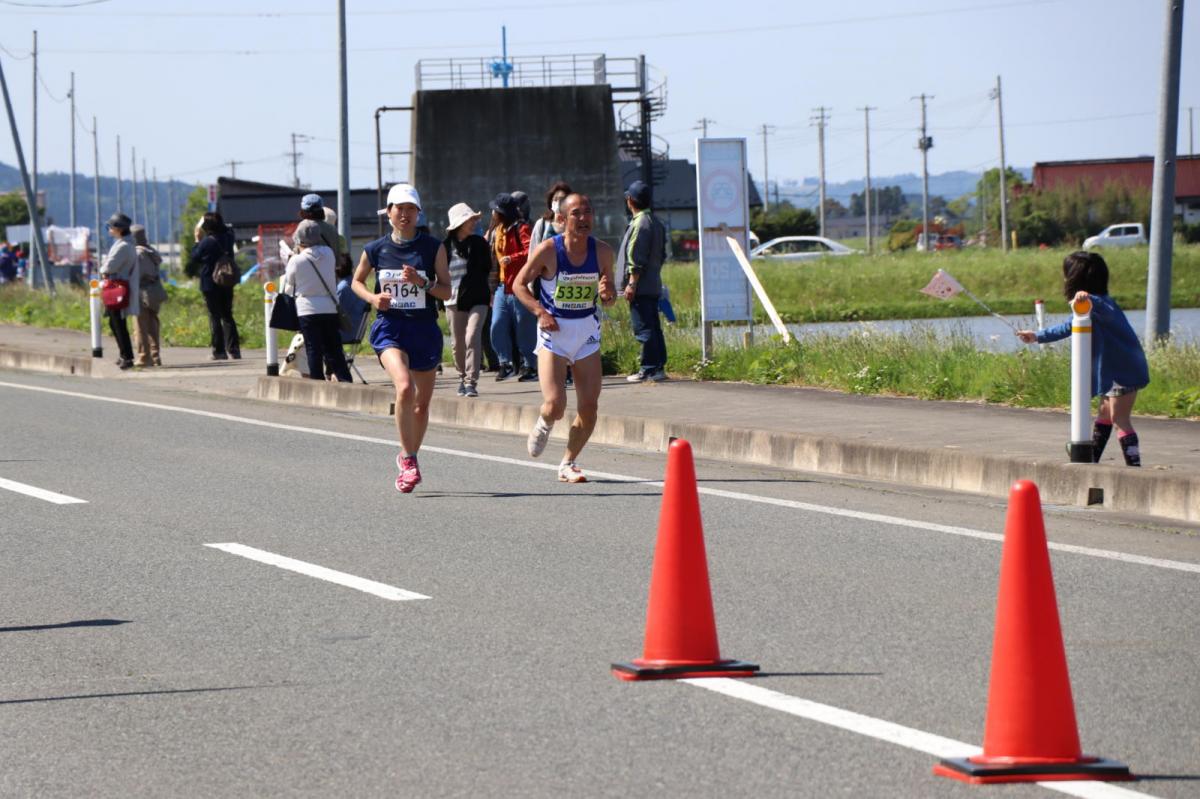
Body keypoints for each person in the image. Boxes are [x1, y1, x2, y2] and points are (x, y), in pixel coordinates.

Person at [351, 183, 452, 493]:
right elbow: (356, 282)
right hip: (390, 327)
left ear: (418, 213)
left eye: (411, 209)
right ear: (390, 212)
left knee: (422, 405)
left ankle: (410, 455)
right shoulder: (375, 249)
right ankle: (409, 461)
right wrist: (372, 297)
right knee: (404, 387)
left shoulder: (433, 247)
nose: (405, 214)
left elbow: (447, 291)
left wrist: (421, 282)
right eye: (399, 208)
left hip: (423, 329)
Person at [514, 193, 617, 483]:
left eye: (588, 212)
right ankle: (545, 422)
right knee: (556, 404)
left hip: (585, 334)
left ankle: (568, 463)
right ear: (561, 219)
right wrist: (539, 311)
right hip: (554, 334)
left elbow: (608, 298)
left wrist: (608, 295)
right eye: (576, 213)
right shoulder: (549, 250)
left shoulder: (604, 252)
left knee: (589, 407)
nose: (583, 219)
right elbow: (518, 283)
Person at [1016, 251, 1149, 466]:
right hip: (1112, 371)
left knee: (1120, 419)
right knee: (1104, 416)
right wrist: (1037, 336)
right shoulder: (1086, 308)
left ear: (1077, 278)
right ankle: (1091, 461)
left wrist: (1089, 299)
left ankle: (1134, 467)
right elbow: (1070, 326)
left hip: (1124, 371)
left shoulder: (1101, 304)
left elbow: (1103, 310)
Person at [283, 219, 352, 383]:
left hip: (307, 310)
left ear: (299, 240)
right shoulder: (328, 253)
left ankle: (317, 382)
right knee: (334, 349)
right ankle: (345, 380)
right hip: (329, 308)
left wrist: (292, 257)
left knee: (313, 349)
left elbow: (289, 286)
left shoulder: (296, 261)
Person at [617, 179, 670, 382]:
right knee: (654, 327)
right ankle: (658, 367)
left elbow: (636, 257)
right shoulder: (656, 223)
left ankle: (648, 368)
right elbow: (662, 255)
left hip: (641, 285)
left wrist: (632, 283)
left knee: (644, 328)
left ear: (630, 200)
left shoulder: (640, 223)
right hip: (653, 283)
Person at [442, 202, 491, 398]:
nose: (472, 223)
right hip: (453, 299)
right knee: (457, 344)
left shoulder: (480, 244)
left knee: (472, 336)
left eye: (473, 219)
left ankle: (471, 382)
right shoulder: (444, 247)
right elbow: (439, 274)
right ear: (458, 224)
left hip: (478, 297)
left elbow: (487, 268)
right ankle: (461, 377)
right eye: (468, 220)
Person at [488, 192, 537, 382]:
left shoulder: (522, 228)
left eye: (495, 210)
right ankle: (505, 363)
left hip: (519, 285)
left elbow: (530, 251)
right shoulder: (497, 229)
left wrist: (513, 258)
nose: (492, 212)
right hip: (502, 286)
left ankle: (530, 365)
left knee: (524, 327)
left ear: (502, 212)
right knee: (497, 324)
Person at [191, 211, 240, 360]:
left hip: (210, 283)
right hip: (227, 281)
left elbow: (195, 257)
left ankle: (219, 351)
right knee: (227, 315)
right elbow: (228, 230)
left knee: (215, 316)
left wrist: (197, 240)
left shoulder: (207, 241)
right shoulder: (229, 237)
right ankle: (234, 349)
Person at [99, 213, 139, 369]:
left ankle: (127, 356)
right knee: (114, 322)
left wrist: (103, 268)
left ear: (118, 229)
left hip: (117, 287)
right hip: (119, 285)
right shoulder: (125, 243)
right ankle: (124, 354)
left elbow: (109, 266)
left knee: (118, 322)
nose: (109, 228)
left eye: (111, 226)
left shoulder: (122, 246)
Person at [130, 224, 166, 367]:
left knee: (139, 326)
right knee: (153, 324)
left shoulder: (137, 254)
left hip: (140, 292)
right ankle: (155, 356)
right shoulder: (151, 251)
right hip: (154, 291)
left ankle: (144, 357)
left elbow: (135, 276)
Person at [299, 193, 345, 262]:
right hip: (330, 270)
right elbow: (338, 260)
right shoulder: (334, 231)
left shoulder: (304, 228)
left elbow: (299, 256)